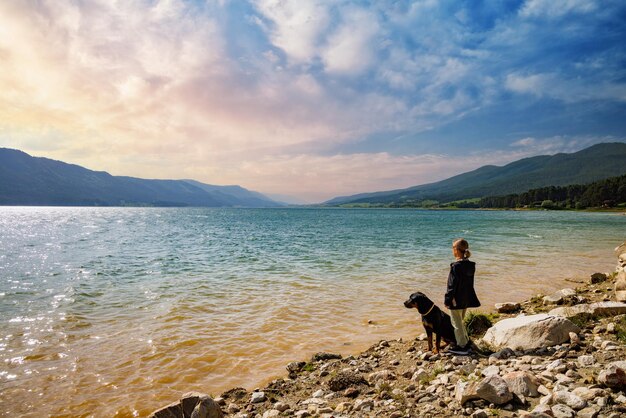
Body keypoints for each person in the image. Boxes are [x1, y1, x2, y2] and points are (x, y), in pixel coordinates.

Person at [444, 238, 480, 355]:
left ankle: (462, 347)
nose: (452, 250)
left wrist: (448, 299)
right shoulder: (470, 265)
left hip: (456, 299)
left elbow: (451, 286)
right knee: (460, 321)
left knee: (456, 323)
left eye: (453, 248)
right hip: (466, 299)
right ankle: (466, 341)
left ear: (457, 250)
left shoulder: (456, 266)